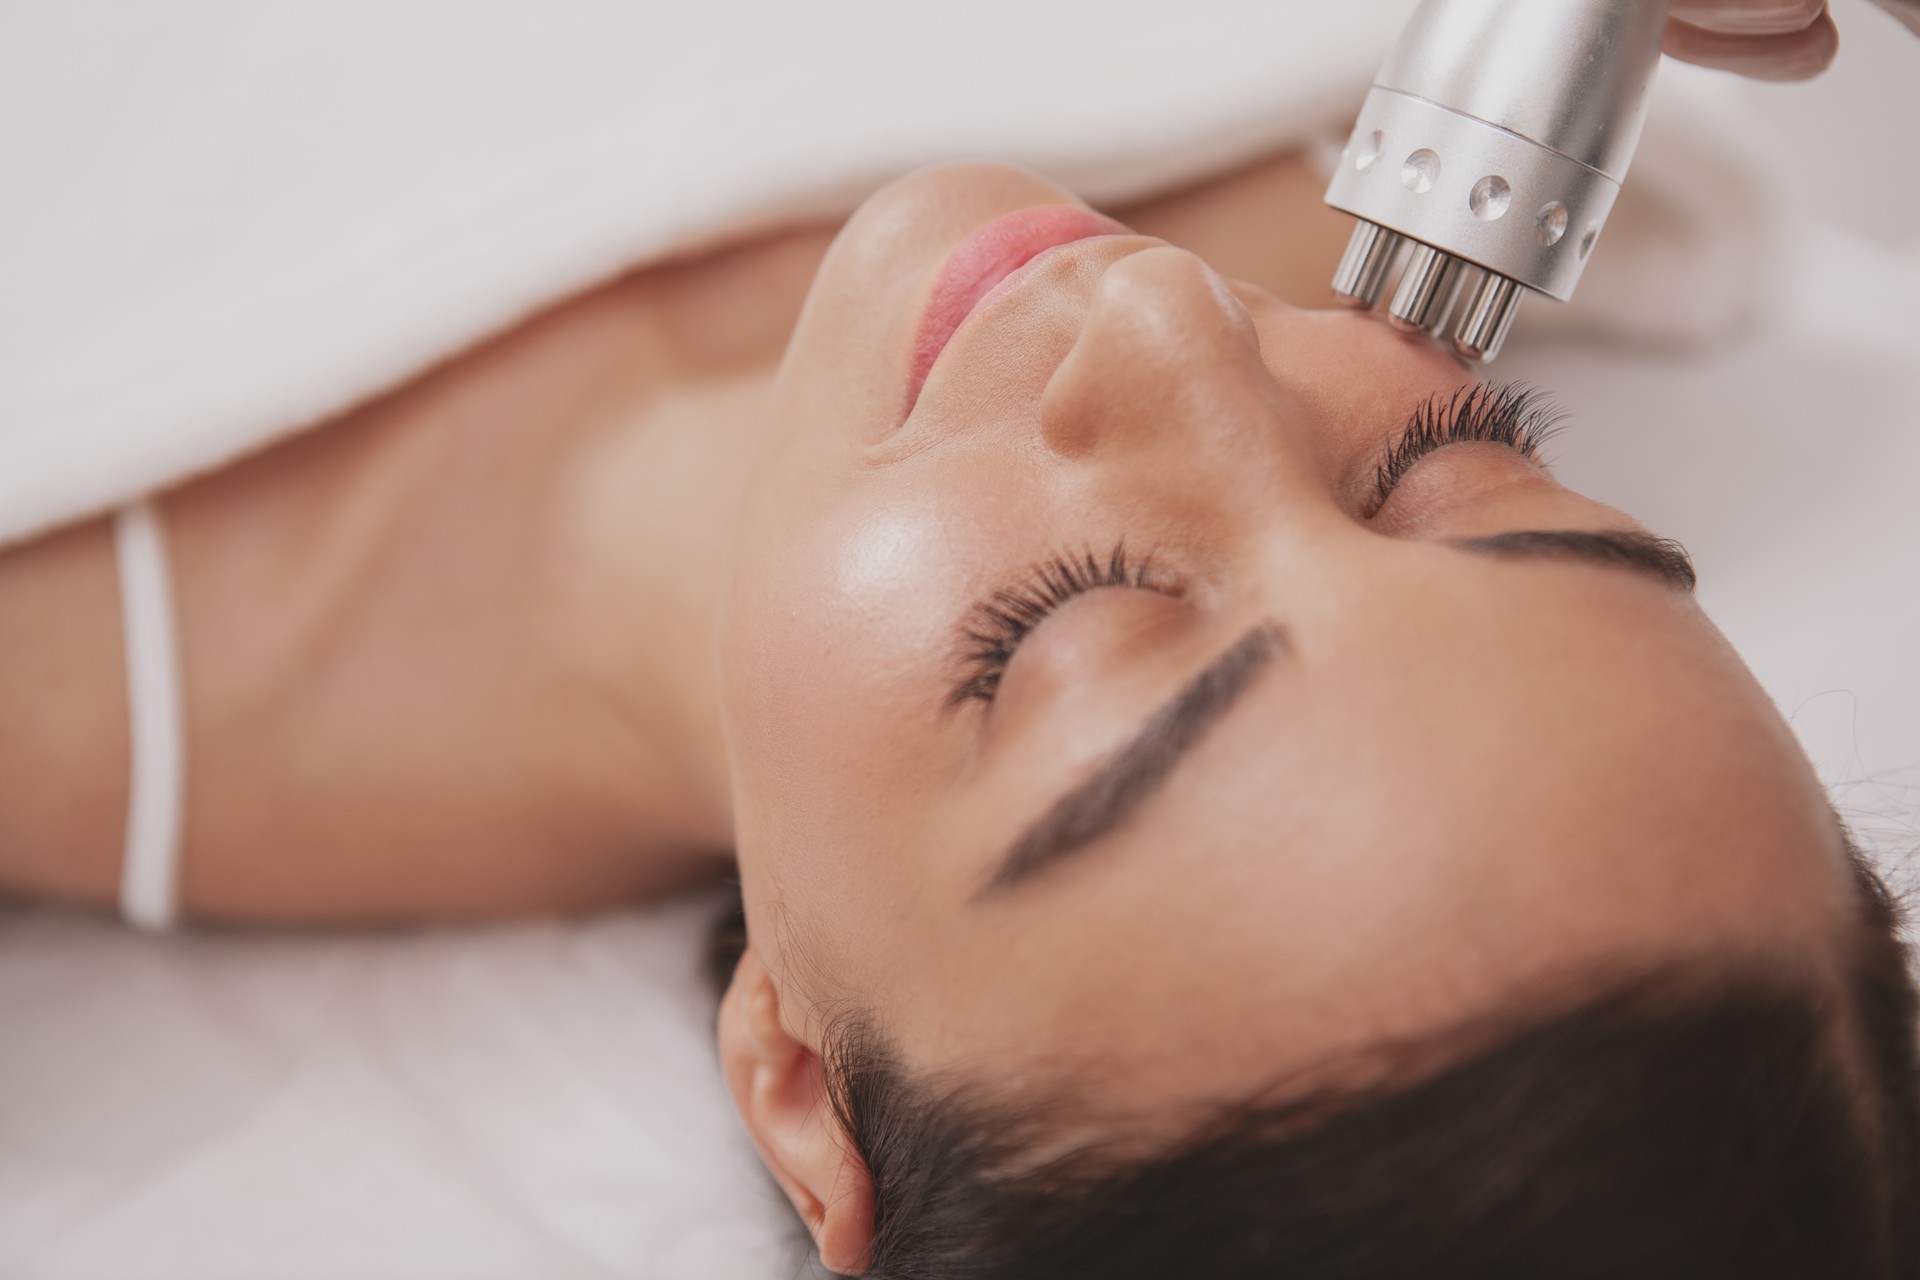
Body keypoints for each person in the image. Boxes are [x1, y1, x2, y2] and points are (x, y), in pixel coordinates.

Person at [0, 3, 1914, 1275]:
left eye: (1072, 629)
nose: (1169, 322)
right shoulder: (1487, 98)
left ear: (802, 1086)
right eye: (1458, 463)